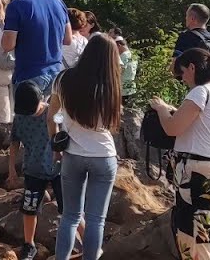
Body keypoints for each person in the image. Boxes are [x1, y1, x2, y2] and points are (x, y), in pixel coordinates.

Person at [1, 0, 71, 260]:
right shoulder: (59, 2)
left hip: (28, 80)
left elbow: (6, 44)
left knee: (29, 134)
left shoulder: (17, 5)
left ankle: (29, 237)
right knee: (55, 132)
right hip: (56, 79)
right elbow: (67, 38)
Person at [151, 49, 210, 260]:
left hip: (194, 170)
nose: (182, 78)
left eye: (183, 72)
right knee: (199, 231)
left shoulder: (200, 92)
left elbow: (173, 128)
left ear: (192, 67)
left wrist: (161, 109)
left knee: (190, 234)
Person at [49, 34, 122, 260]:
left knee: (70, 216)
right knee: (96, 220)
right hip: (104, 156)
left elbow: (52, 116)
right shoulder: (111, 86)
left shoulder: (64, 79)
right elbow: (113, 122)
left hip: (72, 154)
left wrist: (55, 144)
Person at [116, 35, 139, 103]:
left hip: (122, 89)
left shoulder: (123, 56)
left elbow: (120, 70)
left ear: (119, 45)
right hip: (131, 87)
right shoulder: (133, 54)